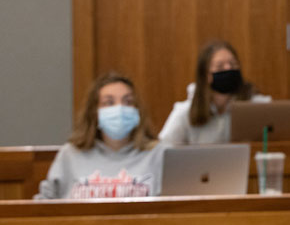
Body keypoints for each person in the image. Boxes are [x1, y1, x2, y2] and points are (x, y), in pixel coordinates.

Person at [35, 72, 165, 199]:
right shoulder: (70, 154)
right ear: (94, 112)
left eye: (128, 101)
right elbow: (44, 208)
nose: (119, 108)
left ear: (138, 110)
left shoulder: (158, 154)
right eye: (109, 102)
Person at [159, 40, 270, 144]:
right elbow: (162, 150)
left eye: (233, 64)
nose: (228, 68)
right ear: (206, 75)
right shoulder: (185, 112)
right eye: (220, 66)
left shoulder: (255, 106)